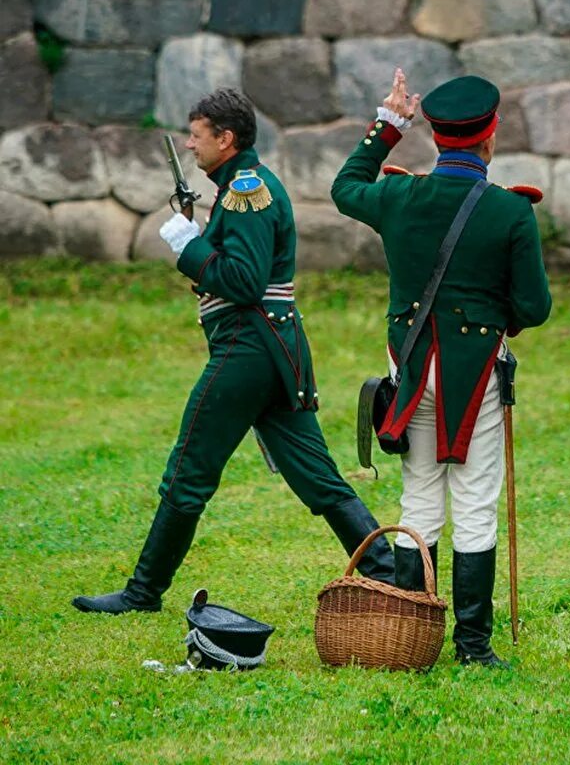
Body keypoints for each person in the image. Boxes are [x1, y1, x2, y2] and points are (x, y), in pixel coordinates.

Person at [73, 88, 396, 615]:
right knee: (318, 479)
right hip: (270, 350)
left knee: (188, 472)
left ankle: (142, 593)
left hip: (246, 347)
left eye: (197, 136)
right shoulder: (239, 188)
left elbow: (243, 283)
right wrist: (202, 237)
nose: (190, 145)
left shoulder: (245, 189)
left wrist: (188, 246)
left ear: (226, 139)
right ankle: (391, 573)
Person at [331, 69, 552, 667]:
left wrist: (389, 122)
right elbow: (534, 306)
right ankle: (473, 647)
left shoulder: (399, 197)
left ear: (436, 135)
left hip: (408, 371)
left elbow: (346, 187)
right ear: (491, 135)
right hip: (474, 375)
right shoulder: (510, 212)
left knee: (420, 498)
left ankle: (413, 633)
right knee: (475, 502)